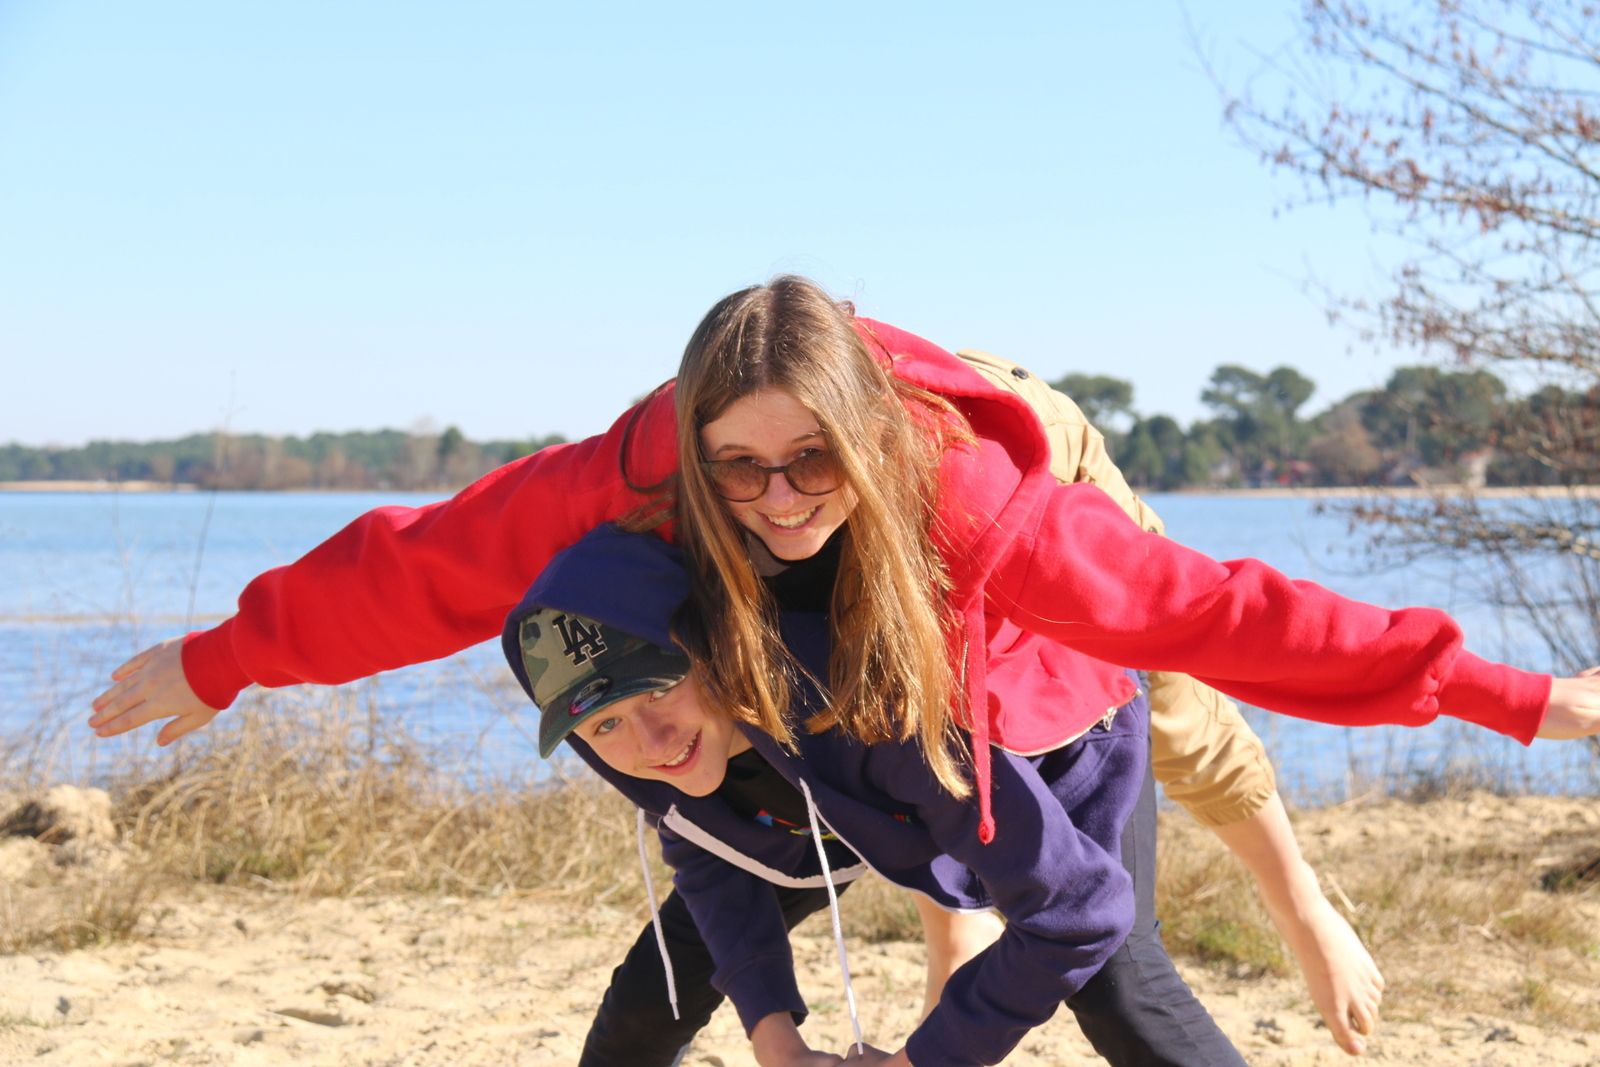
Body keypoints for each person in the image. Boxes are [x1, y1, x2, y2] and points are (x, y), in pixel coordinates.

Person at [90, 276, 1600, 1060]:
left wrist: (1512, 695)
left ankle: (1294, 906)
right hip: (801, 696)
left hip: (1009, 643)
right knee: (715, 891)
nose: (778, 497)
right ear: (692, 451)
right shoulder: (633, 481)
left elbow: (1220, 614)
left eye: (811, 461)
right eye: (739, 466)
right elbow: (421, 565)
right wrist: (225, 658)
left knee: (1118, 892)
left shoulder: (983, 506)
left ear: (863, 439)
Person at [507, 523, 1154, 1067]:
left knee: (1120, 990)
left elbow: (1080, 912)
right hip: (820, 811)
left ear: (713, 649)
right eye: (605, 724)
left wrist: (920, 1060)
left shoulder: (872, 711)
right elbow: (706, 854)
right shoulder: (667, 755)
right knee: (651, 997)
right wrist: (777, 1042)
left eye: (658, 689)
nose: (653, 741)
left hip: (1058, 733)